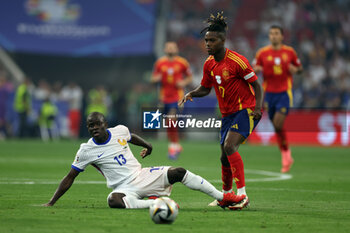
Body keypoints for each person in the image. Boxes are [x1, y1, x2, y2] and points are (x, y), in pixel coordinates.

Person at [43, 112, 248, 209]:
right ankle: (157, 204)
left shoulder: (119, 131)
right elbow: (70, 177)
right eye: (90, 126)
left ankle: (223, 197)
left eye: (97, 124)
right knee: (113, 201)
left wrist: (148, 147)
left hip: (142, 175)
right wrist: (52, 202)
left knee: (178, 172)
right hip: (123, 187)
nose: (94, 128)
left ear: (105, 123)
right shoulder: (86, 150)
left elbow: (131, 136)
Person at [179, 12, 263, 209]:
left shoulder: (237, 61)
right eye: (206, 40)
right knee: (224, 156)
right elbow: (206, 88)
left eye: (212, 40)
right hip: (226, 114)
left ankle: (242, 195)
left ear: (223, 40)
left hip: (246, 110)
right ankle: (226, 195)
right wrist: (191, 93)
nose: (207, 44)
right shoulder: (209, 63)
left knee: (229, 147)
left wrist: (258, 107)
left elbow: (257, 86)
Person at [252, 25, 302, 173]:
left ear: (282, 36)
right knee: (276, 126)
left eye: (276, 33)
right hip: (268, 94)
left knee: (278, 124)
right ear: (269, 36)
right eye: (271, 33)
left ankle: (285, 154)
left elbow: (300, 68)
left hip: (284, 93)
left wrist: (295, 70)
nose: (273, 36)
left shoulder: (289, 52)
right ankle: (286, 152)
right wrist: (257, 69)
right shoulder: (262, 53)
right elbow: (253, 68)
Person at [151, 41, 192, 160]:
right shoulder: (160, 63)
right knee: (169, 123)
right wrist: (156, 78)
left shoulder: (182, 62)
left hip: (177, 96)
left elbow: (189, 77)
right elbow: (153, 78)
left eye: (172, 47)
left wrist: (183, 82)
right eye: (168, 47)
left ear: (176, 49)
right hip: (164, 97)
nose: (170, 49)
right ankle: (175, 145)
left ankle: (173, 145)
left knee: (171, 118)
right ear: (165, 49)